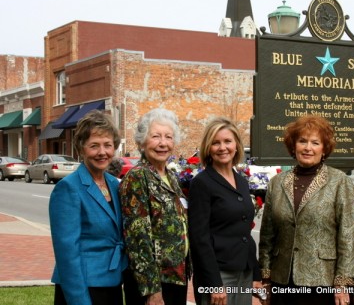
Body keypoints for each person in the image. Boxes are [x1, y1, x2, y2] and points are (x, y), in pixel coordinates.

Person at [259, 115, 354, 305]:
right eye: (302, 141)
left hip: (322, 281)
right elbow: (267, 236)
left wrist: (342, 284)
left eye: (315, 142)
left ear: (324, 148)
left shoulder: (339, 181)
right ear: (293, 146)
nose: (308, 148)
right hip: (282, 280)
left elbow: (348, 235)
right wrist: (266, 278)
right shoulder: (277, 183)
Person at [49, 110, 128, 305]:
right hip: (83, 288)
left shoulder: (115, 184)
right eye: (94, 146)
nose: (102, 152)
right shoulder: (68, 188)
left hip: (112, 284)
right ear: (81, 149)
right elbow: (67, 254)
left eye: (108, 145)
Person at [188, 117, 262, 305]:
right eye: (216, 143)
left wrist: (255, 273)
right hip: (219, 276)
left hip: (243, 272)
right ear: (208, 148)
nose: (223, 148)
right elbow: (199, 238)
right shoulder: (202, 183)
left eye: (227, 141)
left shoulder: (242, 183)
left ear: (236, 144)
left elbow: (244, 230)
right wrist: (214, 283)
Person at [120, 108, 189, 305]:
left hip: (175, 276)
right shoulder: (137, 177)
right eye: (156, 136)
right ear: (142, 141)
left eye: (168, 137)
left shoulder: (171, 177)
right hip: (153, 282)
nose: (163, 143)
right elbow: (137, 239)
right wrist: (152, 291)